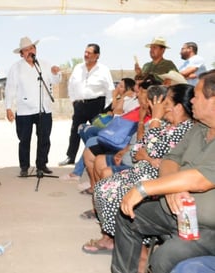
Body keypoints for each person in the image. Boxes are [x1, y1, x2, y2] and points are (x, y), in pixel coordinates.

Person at [112, 70, 215, 273]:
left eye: (196, 95)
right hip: (173, 210)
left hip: (207, 228)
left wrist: (144, 188)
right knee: (127, 215)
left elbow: (202, 179)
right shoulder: (200, 127)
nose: (191, 101)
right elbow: (170, 159)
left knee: (163, 258)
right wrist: (171, 189)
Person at [83, 84, 194, 256]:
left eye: (166, 103)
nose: (162, 107)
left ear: (178, 107)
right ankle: (113, 238)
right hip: (141, 171)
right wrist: (147, 154)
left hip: (155, 178)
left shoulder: (185, 129)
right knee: (103, 186)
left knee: (113, 191)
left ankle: (130, 244)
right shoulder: (167, 125)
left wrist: (155, 122)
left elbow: (155, 153)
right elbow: (137, 150)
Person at [60, 77, 138, 182]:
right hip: (111, 128)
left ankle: (78, 172)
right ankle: (91, 158)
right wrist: (117, 100)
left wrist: (118, 98)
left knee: (91, 140)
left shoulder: (132, 101)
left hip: (117, 133)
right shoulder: (125, 99)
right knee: (83, 129)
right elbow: (110, 111)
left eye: (121, 86)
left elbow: (117, 113)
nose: (117, 88)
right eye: (118, 85)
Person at [5, 36, 61, 177]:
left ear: (35, 49)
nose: (30, 51)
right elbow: (10, 88)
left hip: (44, 109)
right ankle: (24, 166)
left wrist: (56, 73)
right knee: (24, 140)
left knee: (44, 139)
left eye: (32, 48)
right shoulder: (16, 68)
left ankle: (41, 165)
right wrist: (8, 107)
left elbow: (56, 80)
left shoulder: (45, 64)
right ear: (21, 53)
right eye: (26, 50)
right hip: (24, 110)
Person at [59, 43, 114, 166]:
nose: (86, 55)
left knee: (97, 132)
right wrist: (73, 100)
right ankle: (70, 156)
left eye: (89, 53)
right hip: (80, 105)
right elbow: (71, 85)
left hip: (97, 105)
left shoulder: (103, 69)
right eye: (85, 52)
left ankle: (98, 157)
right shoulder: (78, 67)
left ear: (97, 55)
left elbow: (110, 90)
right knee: (75, 131)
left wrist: (106, 108)